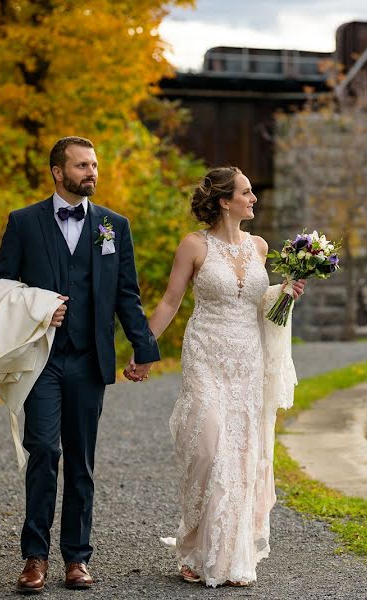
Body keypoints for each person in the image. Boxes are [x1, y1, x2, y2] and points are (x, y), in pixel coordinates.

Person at [0, 136, 160, 593]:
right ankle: (35, 556)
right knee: (44, 451)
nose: (92, 172)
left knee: (81, 462)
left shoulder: (113, 226)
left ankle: (77, 559)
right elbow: (1, 287)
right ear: (57, 172)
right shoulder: (24, 222)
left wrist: (143, 347)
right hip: (41, 359)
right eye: (82, 165)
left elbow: (127, 294)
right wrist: (39, 306)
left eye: (95, 165)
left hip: (89, 361)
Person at [140, 166, 305, 587]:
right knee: (209, 448)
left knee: (242, 451)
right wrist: (144, 350)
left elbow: (261, 308)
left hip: (248, 359)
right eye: (247, 193)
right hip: (206, 355)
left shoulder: (261, 247)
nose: (254, 199)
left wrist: (283, 295)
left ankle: (228, 555)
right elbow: (170, 302)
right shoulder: (194, 245)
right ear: (223, 201)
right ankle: (196, 543)